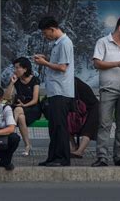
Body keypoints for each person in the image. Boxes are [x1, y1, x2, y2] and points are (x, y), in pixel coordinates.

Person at [91, 16, 120, 167]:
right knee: (104, 124)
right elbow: (97, 63)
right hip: (108, 90)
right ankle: (102, 157)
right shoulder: (102, 42)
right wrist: (118, 63)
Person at [35, 16, 75, 167]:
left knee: (60, 127)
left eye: (46, 33)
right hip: (55, 91)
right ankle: (52, 157)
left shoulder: (65, 43)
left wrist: (45, 63)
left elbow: (63, 67)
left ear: (53, 29)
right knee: (53, 127)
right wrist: (46, 59)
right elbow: (58, 63)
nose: (46, 37)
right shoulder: (58, 44)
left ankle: (63, 158)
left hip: (61, 91)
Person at [4, 57, 41, 156]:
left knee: (19, 109)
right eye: (14, 68)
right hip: (19, 110)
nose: (15, 70)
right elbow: (6, 97)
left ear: (25, 69)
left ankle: (9, 133)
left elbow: (35, 100)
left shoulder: (35, 80)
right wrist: (12, 83)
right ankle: (27, 145)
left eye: (17, 68)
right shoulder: (16, 81)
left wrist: (24, 105)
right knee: (20, 116)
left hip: (33, 108)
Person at [70, 77, 99, 158]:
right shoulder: (71, 81)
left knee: (88, 128)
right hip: (80, 108)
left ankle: (80, 151)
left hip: (92, 107)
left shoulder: (72, 82)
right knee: (67, 122)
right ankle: (73, 147)